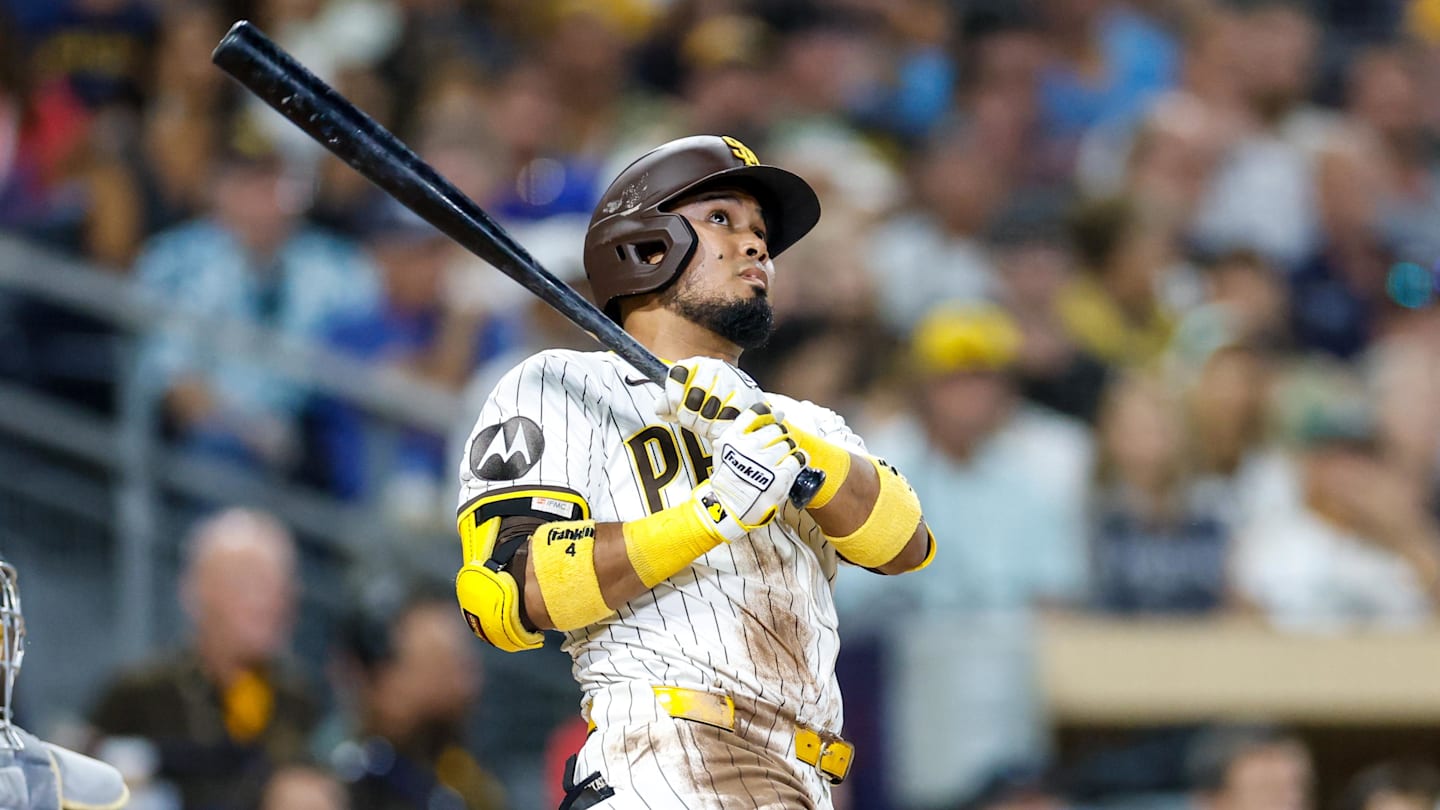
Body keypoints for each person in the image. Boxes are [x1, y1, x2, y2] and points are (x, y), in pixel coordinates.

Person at [453, 134, 934, 809]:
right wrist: (709, 513)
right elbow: (508, 593)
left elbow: (906, 544)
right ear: (645, 247)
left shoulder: (803, 421)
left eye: (760, 233)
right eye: (721, 219)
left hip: (803, 778)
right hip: (660, 757)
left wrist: (780, 438)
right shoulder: (561, 382)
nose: (755, 245)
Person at [88, 507, 321, 810]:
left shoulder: (298, 699)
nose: (271, 600)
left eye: (282, 585)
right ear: (195, 591)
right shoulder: (141, 694)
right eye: (249, 581)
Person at [326, 593, 505, 810]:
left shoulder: (467, 776)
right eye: (442, 666)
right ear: (384, 680)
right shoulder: (342, 782)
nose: (467, 683)